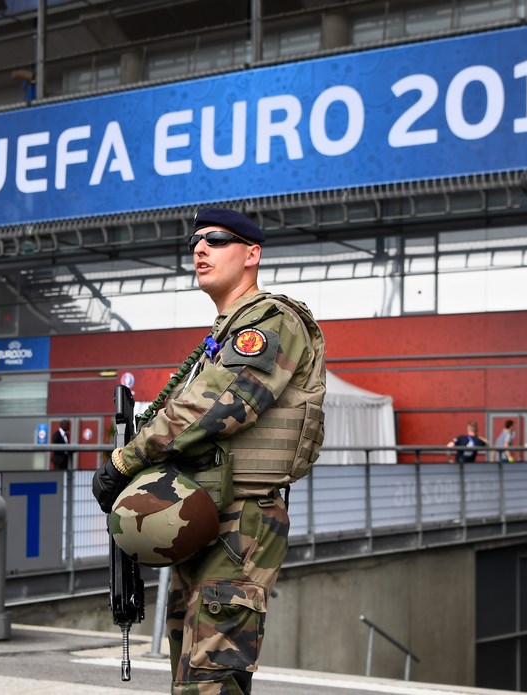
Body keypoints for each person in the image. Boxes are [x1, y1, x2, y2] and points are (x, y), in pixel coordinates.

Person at [91, 207, 327, 694]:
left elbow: (215, 406)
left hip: (241, 520)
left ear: (252, 254)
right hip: (204, 515)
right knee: (191, 671)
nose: (199, 249)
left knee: (210, 678)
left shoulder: (271, 320)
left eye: (216, 240)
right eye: (195, 240)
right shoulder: (222, 335)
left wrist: (125, 461)